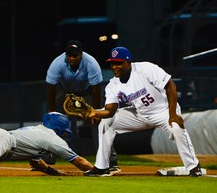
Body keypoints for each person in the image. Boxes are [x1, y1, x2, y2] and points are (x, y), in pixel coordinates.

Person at [84, 46, 202, 177]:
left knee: (176, 128)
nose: (115, 67)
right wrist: (94, 112)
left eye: (118, 63)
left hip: (163, 111)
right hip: (139, 114)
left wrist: (173, 114)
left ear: (128, 63)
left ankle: (193, 166)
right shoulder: (113, 84)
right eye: (112, 63)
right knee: (106, 121)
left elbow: (170, 85)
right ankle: (102, 166)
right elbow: (110, 111)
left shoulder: (146, 69)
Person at [45, 39, 119, 170]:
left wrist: (96, 112)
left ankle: (110, 160)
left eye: (75, 55)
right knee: (50, 121)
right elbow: (51, 88)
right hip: (66, 92)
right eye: (69, 55)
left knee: (100, 122)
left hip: (88, 92)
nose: (72, 58)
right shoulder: (57, 63)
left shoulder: (91, 63)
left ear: (81, 54)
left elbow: (96, 89)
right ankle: (48, 156)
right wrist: (52, 114)